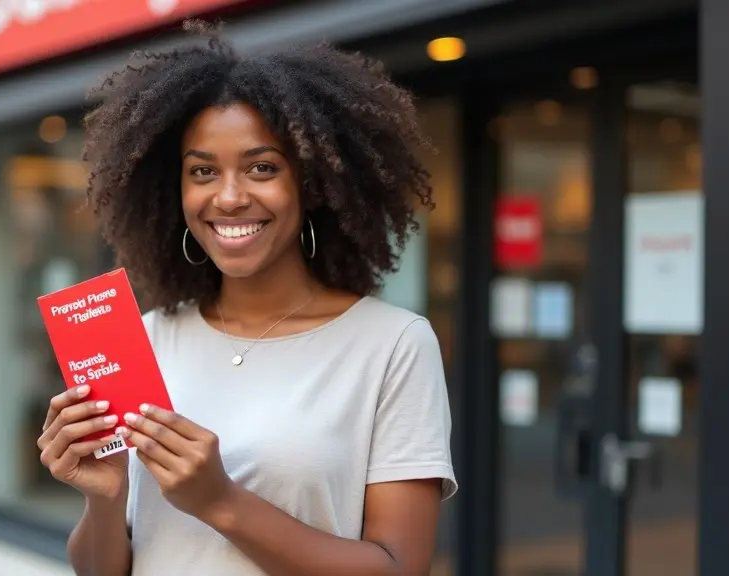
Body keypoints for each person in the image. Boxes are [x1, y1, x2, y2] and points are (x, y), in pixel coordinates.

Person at [37, 21, 457, 576]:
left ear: (310, 184)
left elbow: (401, 568)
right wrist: (105, 494)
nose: (229, 197)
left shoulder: (392, 345)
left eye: (262, 168)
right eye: (203, 171)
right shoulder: (151, 335)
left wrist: (221, 503)